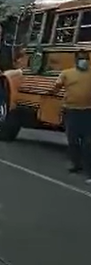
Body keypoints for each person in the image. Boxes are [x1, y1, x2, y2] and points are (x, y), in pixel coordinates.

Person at [53, 51, 91, 183]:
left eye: (86, 59)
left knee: (88, 143)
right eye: (81, 59)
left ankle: (88, 171)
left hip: (88, 112)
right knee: (73, 140)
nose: (84, 61)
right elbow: (57, 86)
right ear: (76, 61)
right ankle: (76, 164)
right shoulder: (67, 73)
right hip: (71, 111)